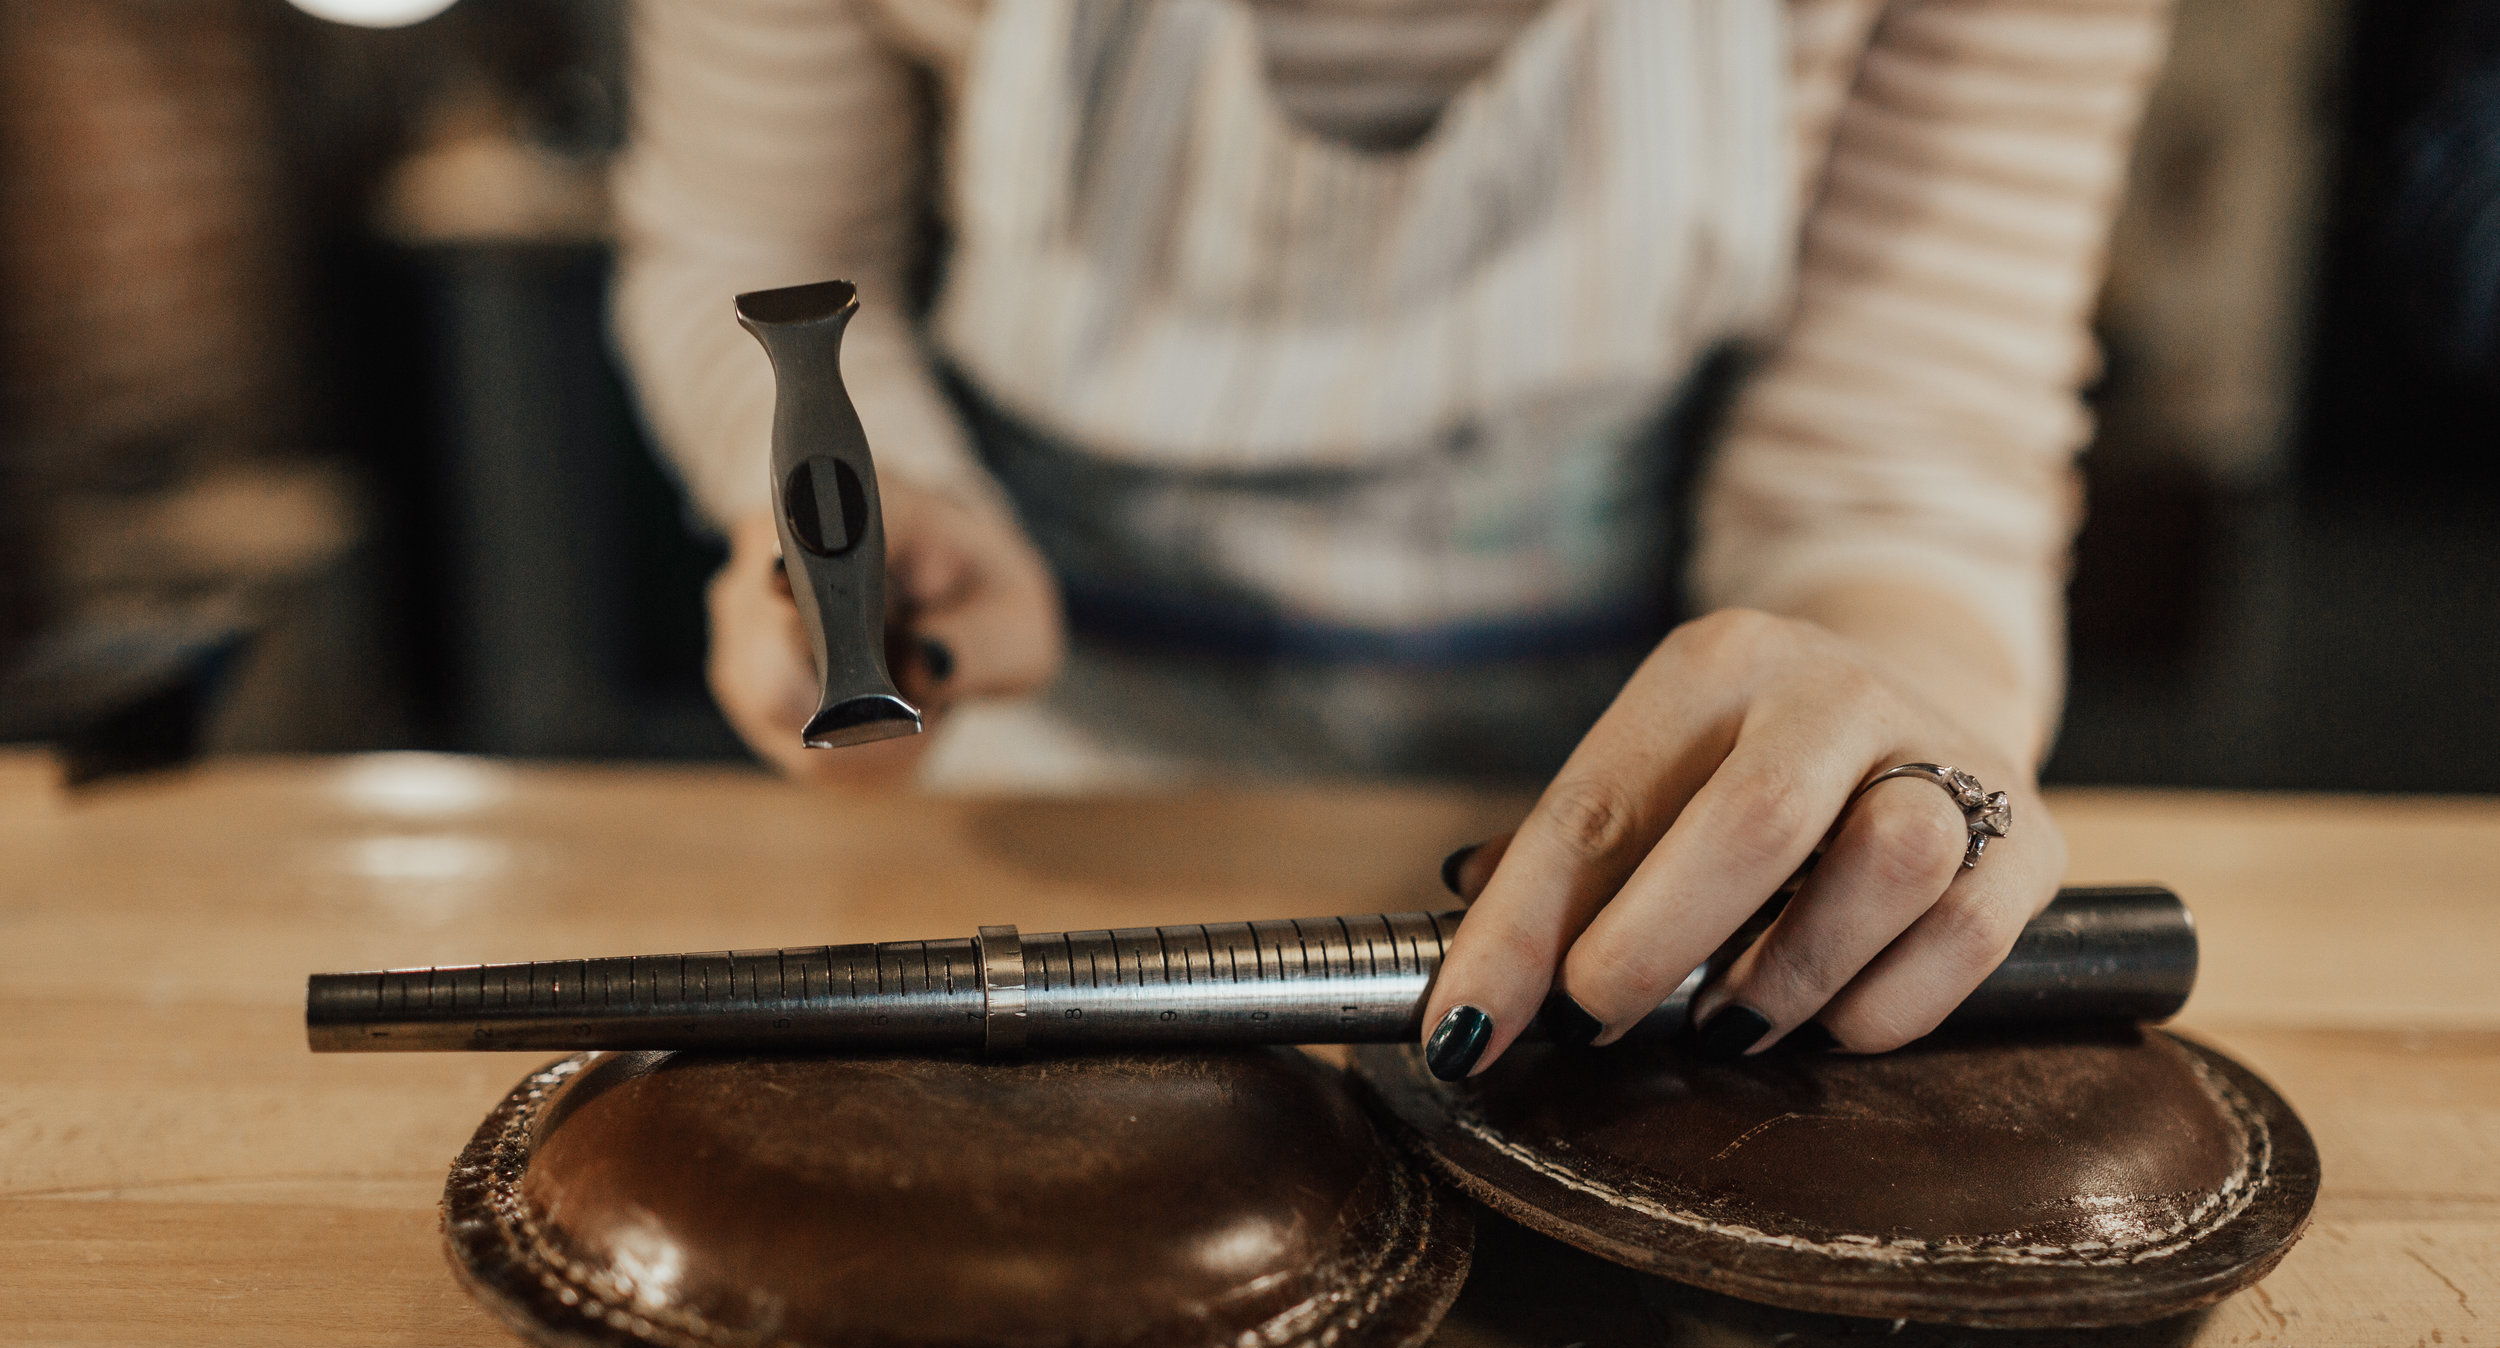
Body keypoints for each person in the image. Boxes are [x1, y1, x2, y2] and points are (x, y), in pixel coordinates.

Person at [612, 0, 2171, 1079]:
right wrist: (876, 527)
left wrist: (1886, 718)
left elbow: (1905, 457)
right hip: (1025, 808)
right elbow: (764, 253)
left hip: (1629, 883)